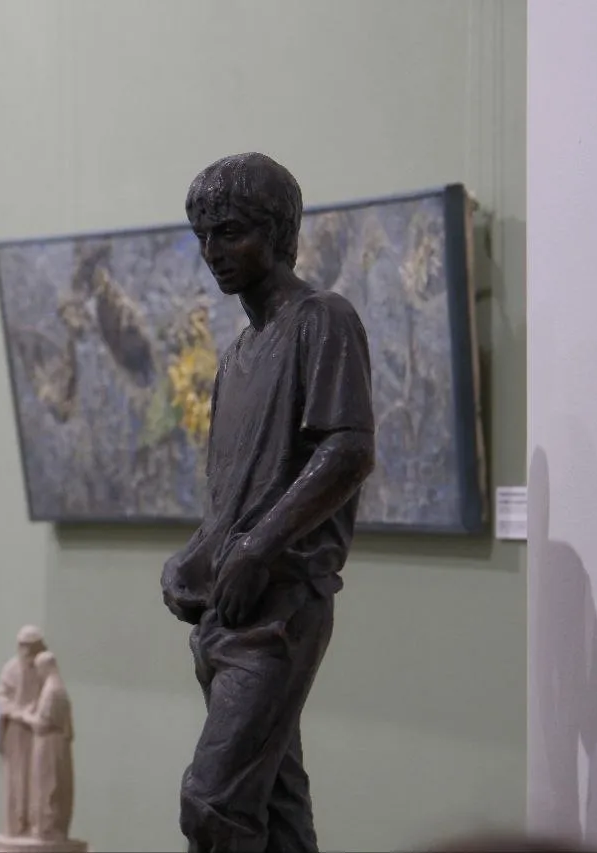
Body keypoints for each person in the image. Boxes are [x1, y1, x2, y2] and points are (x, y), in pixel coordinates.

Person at [161, 152, 376, 853]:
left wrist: (258, 548)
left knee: (214, 803)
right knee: (278, 808)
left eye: (230, 232)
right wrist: (195, 558)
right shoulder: (238, 356)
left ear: (280, 233)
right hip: (229, 610)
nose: (213, 252)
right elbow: (234, 498)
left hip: (281, 605)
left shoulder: (322, 320)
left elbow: (347, 450)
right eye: (203, 236)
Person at [0, 625, 48, 837]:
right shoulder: (11, 669)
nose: (26, 652)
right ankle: (16, 824)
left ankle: (35, 825)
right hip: (16, 730)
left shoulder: (43, 671)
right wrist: (17, 712)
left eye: (31, 647)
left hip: (37, 731)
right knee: (16, 778)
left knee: (37, 778)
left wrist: (36, 710)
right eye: (23, 646)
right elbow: (1, 697)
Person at [23, 650, 75, 841]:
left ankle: (47, 828)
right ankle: (45, 827)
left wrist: (26, 715)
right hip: (52, 744)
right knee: (48, 785)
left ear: (46, 667)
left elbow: (42, 724)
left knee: (48, 785)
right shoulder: (55, 688)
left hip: (49, 745)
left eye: (39, 668)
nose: (38, 673)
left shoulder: (52, 691)